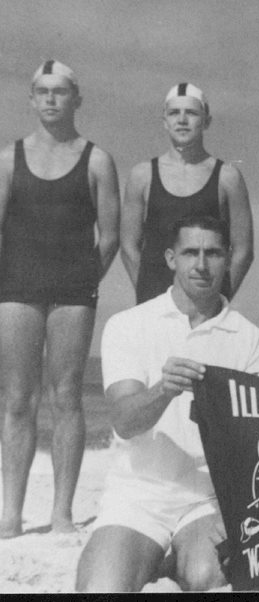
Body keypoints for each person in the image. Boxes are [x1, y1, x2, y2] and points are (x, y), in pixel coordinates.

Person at [76, 215, 259, 592]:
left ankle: (175, 561)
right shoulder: (128, 325)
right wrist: (163, 390)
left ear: (228, 258)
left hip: (208, 499)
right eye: (190, 253)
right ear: (170, 258)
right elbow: (124, 422)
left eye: (213, 253)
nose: (201, 264)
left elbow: (254, 446)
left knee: (206, 577)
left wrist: (235, 512)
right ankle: (151, 557)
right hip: (139, 495)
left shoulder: (253, 341)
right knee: (101, 587)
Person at [0, 60, 120, 538]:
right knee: (16, 399)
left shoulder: (97, 161)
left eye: (60, 91)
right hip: (16, 289)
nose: (51, 99)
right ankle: (11, 512)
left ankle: (62, 513)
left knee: (67, 396)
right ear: (32, 99)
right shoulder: (8, 159)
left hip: (73, 290)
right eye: (43, 92)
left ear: (77, 99)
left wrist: (84, 280)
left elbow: (109, 236)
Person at [121, 82, 253, 304]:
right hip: (154, 303)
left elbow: (243, 251)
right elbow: (128, 247)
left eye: (191, 113)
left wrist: (218, 296)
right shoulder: (142, 176)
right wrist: (149, 296)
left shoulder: (228, 178)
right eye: (174, 113)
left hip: (206, 305)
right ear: (165, 121)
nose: (182, 120)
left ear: (206, 121)